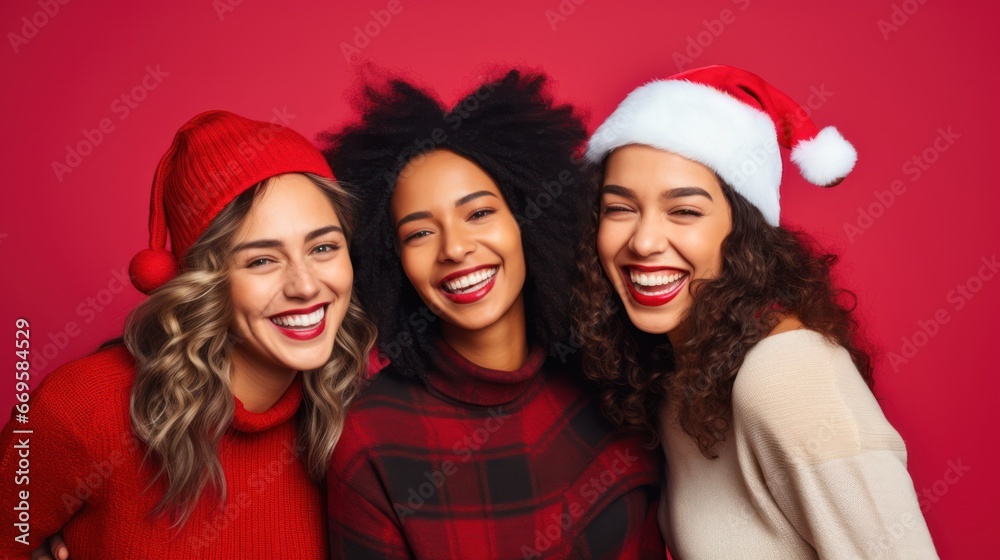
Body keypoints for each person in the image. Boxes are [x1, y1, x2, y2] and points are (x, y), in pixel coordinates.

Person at [572, 65, 939, 558]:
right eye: (620, 208)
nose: (643, 241)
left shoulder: (786, 373)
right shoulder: (676, 374)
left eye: (684, 211)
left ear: (743, 234)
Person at [321, 69, 666, 559]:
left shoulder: (615, 380)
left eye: (479, 213)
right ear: (390, 260)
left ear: (528, 219)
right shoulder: (372, 438)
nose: (456, 249)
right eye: (420, 233)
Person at [0, 110, 375, 559]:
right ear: (205, 282)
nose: (306, 285)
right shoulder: (81, 408)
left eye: (323, 247)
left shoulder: (359, 423)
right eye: (261, 260)